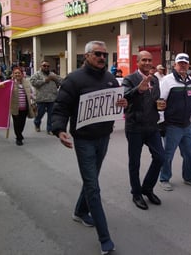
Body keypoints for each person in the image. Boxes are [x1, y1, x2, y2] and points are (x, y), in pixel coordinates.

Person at [51, 40, 127, 255]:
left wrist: (123, 104)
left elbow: (119, 102)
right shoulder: (73, 79)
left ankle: (79, 211)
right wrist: (59, 129)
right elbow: (61, 107)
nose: (102, 57)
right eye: (97, 54)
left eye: (104, 54)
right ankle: (105, 240)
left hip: (104, 137)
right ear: (86, 56)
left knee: (90, 179)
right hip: (83, 140)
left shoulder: (111, 79)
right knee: (93, 186)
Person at [122, 51, 165, 210]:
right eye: (144, 60)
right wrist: (138, 89)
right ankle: (136, 193)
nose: (147, 63)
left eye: (149, 60)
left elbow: (156, 99)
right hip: (135, 127)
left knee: (160, 157)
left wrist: (160, 104)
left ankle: (147, 188)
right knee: (135, 162)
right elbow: (125, 96)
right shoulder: (129, 79)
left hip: (152, 126)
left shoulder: (154, 79)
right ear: (137, 62)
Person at [159, 53, 191, 191]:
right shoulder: (167, 80)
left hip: (186, 125)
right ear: (175, 65)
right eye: (180, 63)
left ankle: (188, 177)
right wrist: (161, 122)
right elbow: (160, 101)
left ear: (188, 65)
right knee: (168, 154)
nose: (183, 65)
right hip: (172, 125)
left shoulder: (190, 80)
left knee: (189, 153)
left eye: (185, 63)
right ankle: (164, 178)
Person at [30, 60, 62, 135]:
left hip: (52, 98)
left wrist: (55, 79)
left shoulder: (52, 74)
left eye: (48, 66)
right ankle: (37, 123)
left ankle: (50, 129)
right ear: (41, 66)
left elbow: (62, 82)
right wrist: (45, 80)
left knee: (51, 115)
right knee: (40, 114)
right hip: (41, 98)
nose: (46, 67)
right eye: (44, 66)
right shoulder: (37, 74)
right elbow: (33, 82)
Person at [10, 67, 35, 146]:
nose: (17, 74)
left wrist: (32, 96)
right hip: (15, 107)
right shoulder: (10, 83)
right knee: (16, 123)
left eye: (19, 73)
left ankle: (19, 134)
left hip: (25, 107)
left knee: (22, 123)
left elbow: (31, 92)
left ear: (22, 74)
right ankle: (19, 138)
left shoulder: (26, 82)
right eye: (15, 73)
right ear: (13, 74)